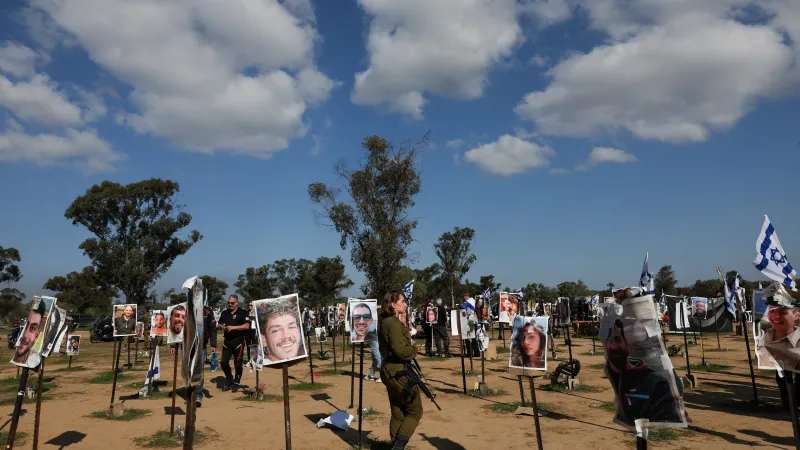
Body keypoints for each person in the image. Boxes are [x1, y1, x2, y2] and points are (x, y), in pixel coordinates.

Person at [603, 318, 680, 426]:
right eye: (609, 341)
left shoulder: (657, 384)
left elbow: (666, 419)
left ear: (627, 344)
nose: (613, 346)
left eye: (617, 340)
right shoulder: (611, 372)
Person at [378, 290, 422, 449]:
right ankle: (398, 446)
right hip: (398, 371)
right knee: (415, 412)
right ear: (393, 304)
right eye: (402, 301)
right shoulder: (392, 322)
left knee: (398, 412)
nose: (405, 304)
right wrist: (415, 350)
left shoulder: (386, 321)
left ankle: (395, 445)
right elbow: (401, 351)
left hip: (390, 370)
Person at [217, 295, 250, 390]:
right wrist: (221, 327)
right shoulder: (225, 313)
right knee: (224, 363)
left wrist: (234, 327)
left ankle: (237, 381)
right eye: (229, 303)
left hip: (238, 341)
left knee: (238, 363)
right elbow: (219, 324)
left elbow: (247, 326)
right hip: (227, 341)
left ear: (237, 303)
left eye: (232, 303)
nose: (230, 304)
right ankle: (229, 378)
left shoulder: (243, 313)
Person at [257, 297, 306, 362]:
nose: (286, 336)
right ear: (264, 339)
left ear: (299, 331)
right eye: (276, 330)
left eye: (291, 327)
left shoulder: (302, 353)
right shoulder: (260, 361)